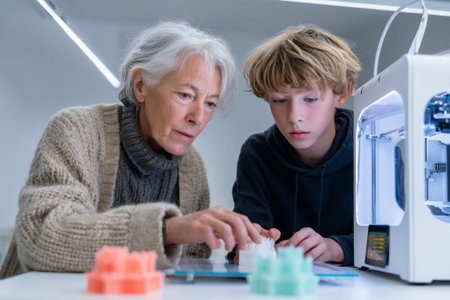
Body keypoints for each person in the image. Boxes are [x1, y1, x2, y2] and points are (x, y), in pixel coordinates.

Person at [0, 21, 263, 279]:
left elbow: (184, 273)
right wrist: (165, 230)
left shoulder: (192, 168)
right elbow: (41, 238)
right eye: (184, 95)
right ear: (140, 86)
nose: (198, 117)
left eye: (210, 103)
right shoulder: (75, 130)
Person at [232, 25, 361, 265]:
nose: (294, 116)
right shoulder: (257, 154)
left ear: (342, 93)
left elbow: (392, 240)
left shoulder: (374, 148)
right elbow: (245, 240)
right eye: (280, 100)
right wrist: (247, 246)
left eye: (310, 99)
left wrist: (336, 248)